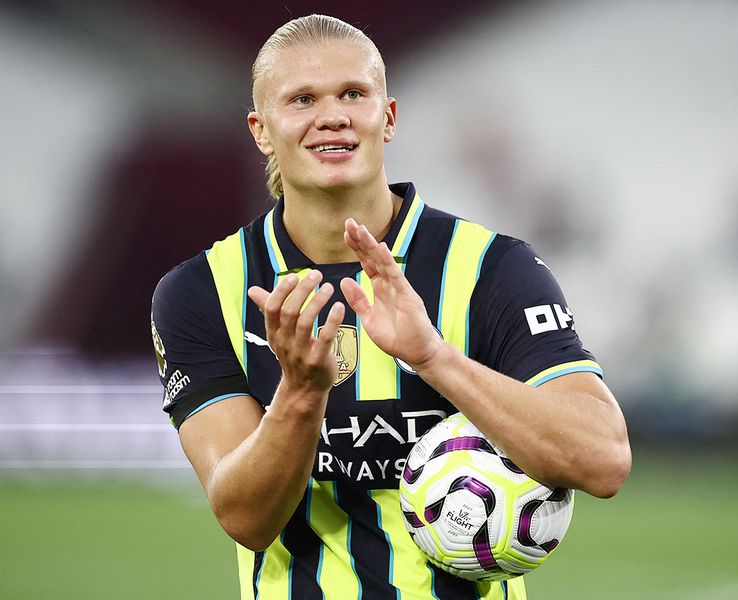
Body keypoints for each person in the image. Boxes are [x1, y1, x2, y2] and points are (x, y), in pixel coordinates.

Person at [150, 13, 631, 600]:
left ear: (388, 117)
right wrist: (301, 392)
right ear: (261, 129)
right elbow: (246, 518)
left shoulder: (493, 269)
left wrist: (434, 358)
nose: (332, 115)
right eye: (302, 99)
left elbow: (603, 460)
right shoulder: (202, 290)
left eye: (353, 93)